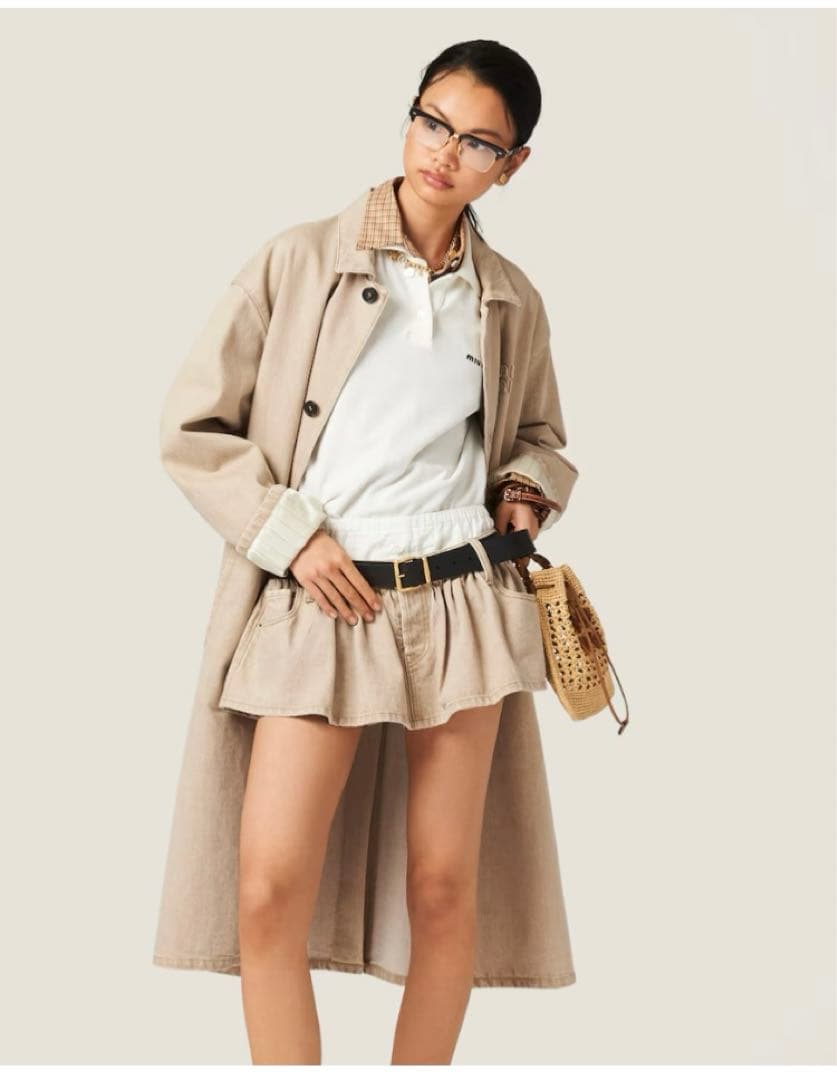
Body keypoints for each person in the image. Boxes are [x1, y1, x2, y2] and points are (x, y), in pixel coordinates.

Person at [157, 39, 579, 1066]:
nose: (443, 153)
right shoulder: (299, 261)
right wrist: (290, 537)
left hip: (460, 603)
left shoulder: (508, 297)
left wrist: (524, 497)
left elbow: (535, 437)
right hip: (323, 601)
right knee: (267, 888)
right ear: (411, 115)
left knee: (442, 887)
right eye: (433, 121)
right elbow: (194, 428)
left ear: (512, 165)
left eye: (477, 142)